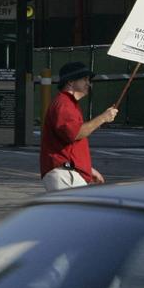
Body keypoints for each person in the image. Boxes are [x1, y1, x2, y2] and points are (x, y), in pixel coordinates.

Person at [40, 61, 118, 192]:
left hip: (68, 171)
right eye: (84, 79)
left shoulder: (68, 103)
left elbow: (70, 145)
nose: (89, 83)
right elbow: (75, 133)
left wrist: (87, 168)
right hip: (65, 173)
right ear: (70, 82)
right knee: (75, 212)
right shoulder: (64, 104)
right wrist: (103, 117)